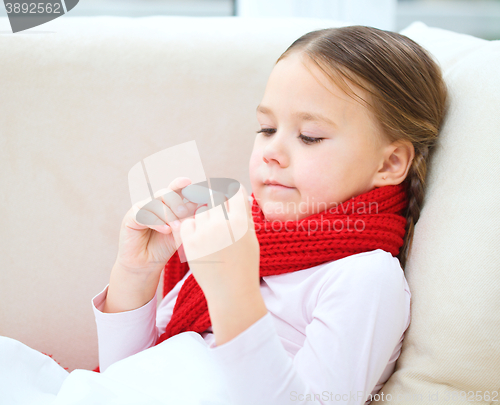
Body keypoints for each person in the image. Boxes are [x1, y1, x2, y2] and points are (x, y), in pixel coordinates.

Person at [0, 25, 447, 405]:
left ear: (390, 163)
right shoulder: (240, 235)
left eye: (309, 136)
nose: (272, 151)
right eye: (267, 129)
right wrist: (137, 272)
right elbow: (124, 377)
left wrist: (233, 289)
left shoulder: (365, 278)